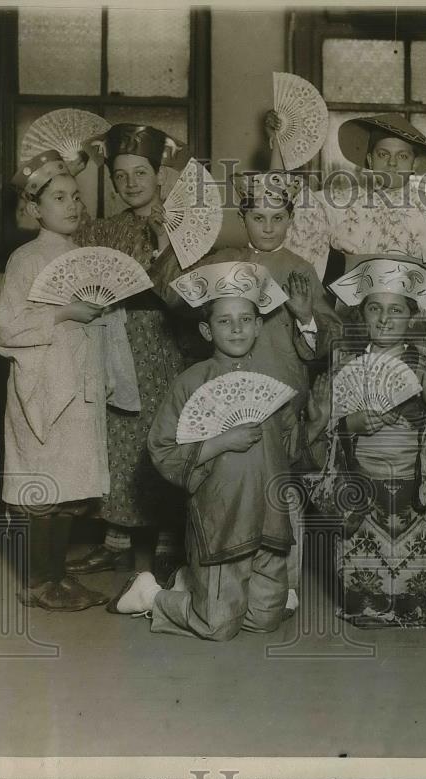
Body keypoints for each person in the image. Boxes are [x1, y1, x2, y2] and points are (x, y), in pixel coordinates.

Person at [155, 170, 343, 616]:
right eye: (258, 217)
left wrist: (304, 318)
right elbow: (172, 294)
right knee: (225, 485)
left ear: (291, 218)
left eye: (278, 217)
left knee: (282, 487)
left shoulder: (299, 269)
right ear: (243, 217)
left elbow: (328, 340)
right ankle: (205, 579)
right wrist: (174, 233)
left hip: (281, 392)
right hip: (221, 401)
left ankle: (280, 581)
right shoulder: (224, 258)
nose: (268, 226)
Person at [107, 262, 318, 639]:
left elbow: (291, 448)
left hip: (270, 514)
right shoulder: (192, 382)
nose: (236, 328)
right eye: (224, 321)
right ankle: (152, 594)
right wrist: (221, 442)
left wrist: (316, 424)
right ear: (206, 330)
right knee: (219, 626)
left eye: (245, 319)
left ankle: (189, 582)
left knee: (264, 619)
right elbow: (162, 449)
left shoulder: (274, 383)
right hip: (221, 517)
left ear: (257, 324)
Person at [303, 256, 426, 627]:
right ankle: (368, 602)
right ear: (361, 315)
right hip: (363, 479)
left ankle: (418, 600)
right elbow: (324, 429)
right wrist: (349, 424)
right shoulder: (344, 366)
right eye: (374, 308)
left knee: (419, 567)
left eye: (396, 310)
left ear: (412, 317)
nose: (384, 318)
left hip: (414, 480)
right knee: (366, 558)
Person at [0, 151, 123, 612]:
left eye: (75, 196)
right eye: (58, 198)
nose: (72, 206)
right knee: (42, 487)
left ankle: (57, 575)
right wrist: (65, 312)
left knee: (70, 484)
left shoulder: (81, 257)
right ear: (35, 209)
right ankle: (37, 582)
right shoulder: (25, 259)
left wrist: (107, 371)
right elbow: (7, 328)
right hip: (44, 386)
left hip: (80, 384)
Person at [65, 123, 191, 584]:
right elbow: (71, 247)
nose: (132, 183)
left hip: (165, 343)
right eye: (120, 175)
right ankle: (122, 546)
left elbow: (187, 296)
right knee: (118, 446)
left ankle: (166, 549)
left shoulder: (182, 230)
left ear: (160, 175)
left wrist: (163, 247)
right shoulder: (106, 229)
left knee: (158, 443)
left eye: (141, 172)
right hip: (115, 344)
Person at [269, 112, 426, 294]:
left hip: (411, 320)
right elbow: (278, 207)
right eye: (383, 154)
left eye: (402, 156)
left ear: (414, 164)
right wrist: (277, 143)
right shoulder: (339, 202)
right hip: (348, 318)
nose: (392, 163)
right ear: (370, 160)